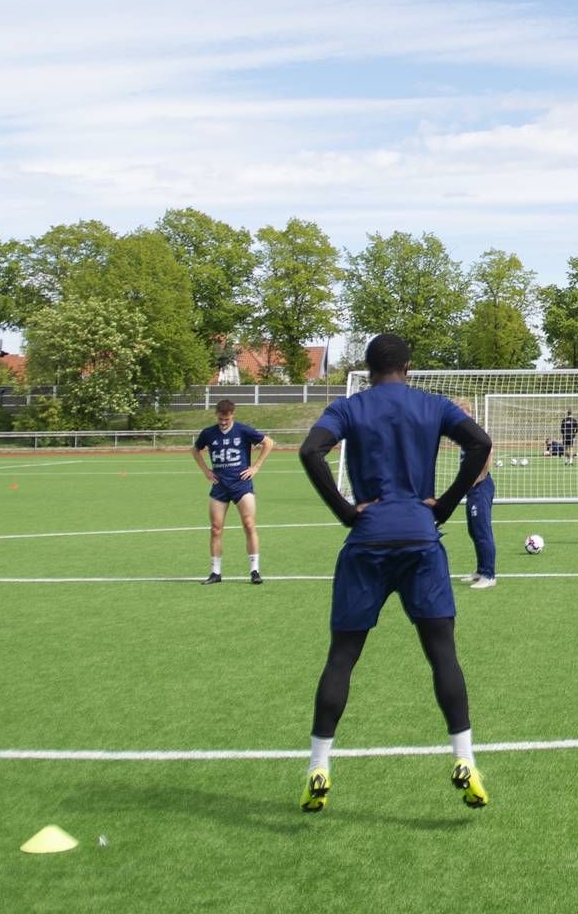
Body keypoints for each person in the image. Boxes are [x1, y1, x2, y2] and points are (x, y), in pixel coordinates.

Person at [295, 333, 495, 812]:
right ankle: (464, 758)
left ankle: (319, 766)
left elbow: (309, 451)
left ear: (367, 368)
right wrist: (445, 503)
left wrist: (346, 512)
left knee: (342, 656)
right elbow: (480, 443)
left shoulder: (350, 407)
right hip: (421, 541)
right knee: (442, 655)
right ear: (409, 365)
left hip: (367, 542)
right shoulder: (432, 404)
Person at [191, 399, 275, 585]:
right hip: (220, 486)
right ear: (216, 415)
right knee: (216, 529)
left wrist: (256, 467)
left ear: (232, 415)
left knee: (249, 524)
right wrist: (206, 471)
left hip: (241, 485)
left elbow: (268, 443)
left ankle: (254, 570)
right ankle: (215, 572)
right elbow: (195, 450)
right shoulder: (208, 433)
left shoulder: (243, 430)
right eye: (220, 419)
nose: (223, 422)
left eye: (226, 419)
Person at [459, 401, 496, 590]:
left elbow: (489, 452)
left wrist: (477, 479)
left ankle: (489, 575)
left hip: (481, 487)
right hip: (472, 489)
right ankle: (481, 570)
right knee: (473, 531)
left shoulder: (476, 432)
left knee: (482, 531)